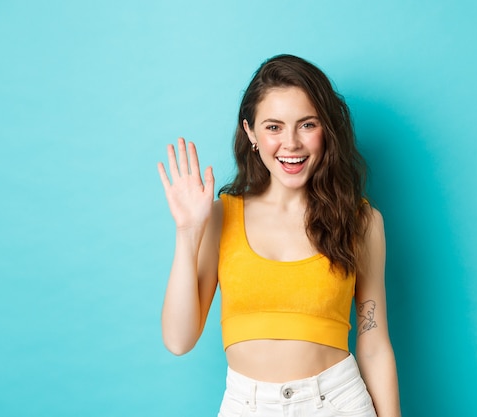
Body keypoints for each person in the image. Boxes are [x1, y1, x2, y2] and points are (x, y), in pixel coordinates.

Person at [157, 54, 401, 417]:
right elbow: (179, 340)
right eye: (273, 127)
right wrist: (188, 231)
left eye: (307, 124)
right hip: (247, 404)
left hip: (338, 402)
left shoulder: (361, 221)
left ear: (327, 130)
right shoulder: (222, 215)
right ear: (250, 132)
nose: (291, 143)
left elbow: (374, 343)